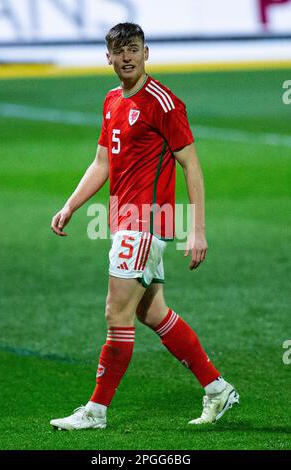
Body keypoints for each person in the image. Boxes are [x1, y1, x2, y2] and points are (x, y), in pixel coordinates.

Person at [50, 22, 239, 430]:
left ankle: (96, 411)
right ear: (108, 58)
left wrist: (198, 229)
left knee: (115, 314)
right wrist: (71, 205)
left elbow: (191, 165)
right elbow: (102, 162)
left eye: (133, 49)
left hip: (145, 222)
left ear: (146, 53)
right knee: (153, 313)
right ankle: (217, 388)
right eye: (119, 52)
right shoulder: (111, 101)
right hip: (123, 221)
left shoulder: (163, 103)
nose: (127, 58)